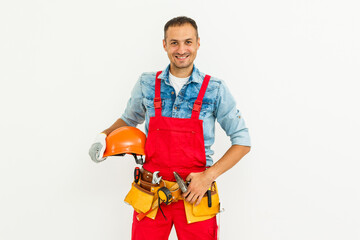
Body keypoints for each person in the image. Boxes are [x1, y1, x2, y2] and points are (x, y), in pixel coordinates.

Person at [89, 16, 251, 240]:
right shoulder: (147, 83)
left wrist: (208, 177)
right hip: (152, 194)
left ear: (197, 43)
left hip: (196, 197)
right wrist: (103, 137)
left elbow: (242, 141)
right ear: (164, 44)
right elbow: (128, 119)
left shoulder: (215, 89)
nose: (181, 49)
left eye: (188, 42)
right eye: (174, 42)